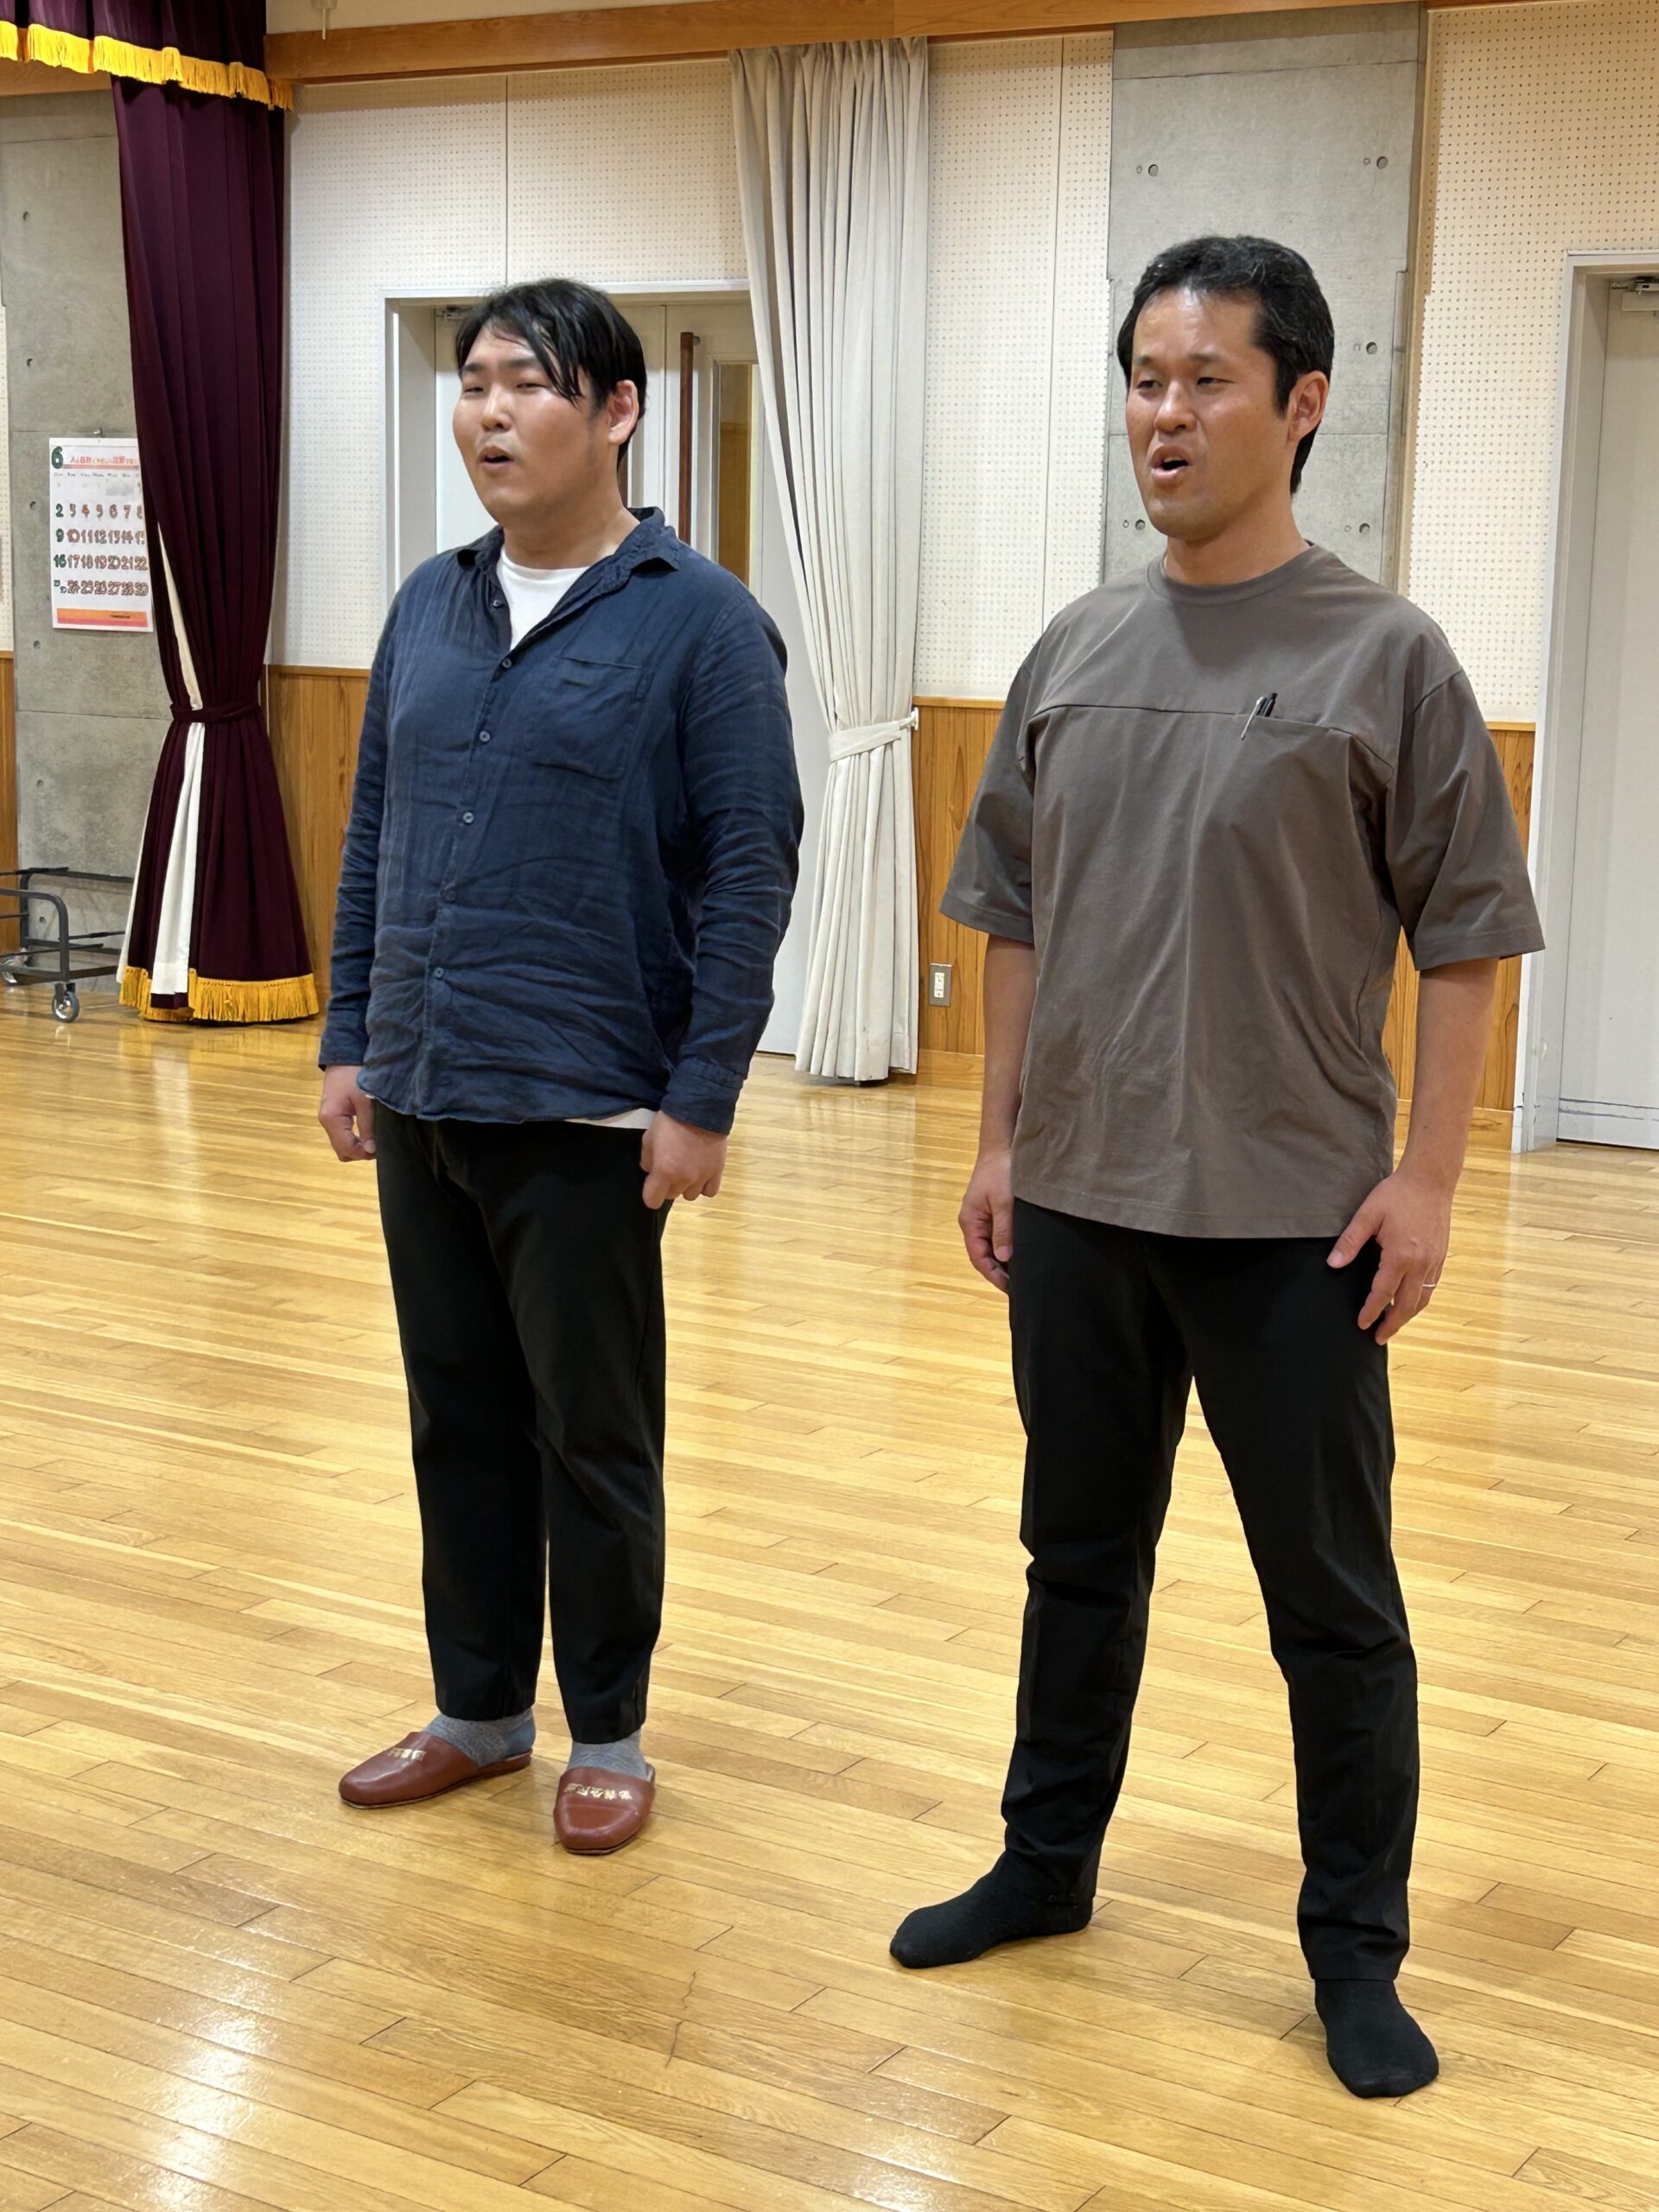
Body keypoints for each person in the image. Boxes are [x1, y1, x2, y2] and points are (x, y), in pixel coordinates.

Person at [889, 235, 1542, 2099]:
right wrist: (1001, 1135)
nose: (1164, 416)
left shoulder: (1385, 655)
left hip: (1294, 1226)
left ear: (1302, 402)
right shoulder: (1076, 647)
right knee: (1074, 1561)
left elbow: (1466, 935)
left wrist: (1430, 1181)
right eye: (1145, 381)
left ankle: (1356, 1951)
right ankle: (1045, 1864)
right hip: (1081, 1205)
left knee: (1332, 1603)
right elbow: (1013, 910)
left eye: (1207, 381)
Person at [318, 277, 800, 1856]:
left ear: (616, 410)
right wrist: (350, 1035)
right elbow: (375, 829)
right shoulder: (429, 604)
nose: (489, 413)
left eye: (525, 383)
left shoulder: (701, 620)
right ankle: (477, 1712)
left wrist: (702, 1097)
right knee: (455, 1416)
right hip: (424, 1084)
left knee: (592, 1433)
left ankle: (608, 1729)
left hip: (589, 1101)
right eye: (472, 384)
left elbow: (749, 869)